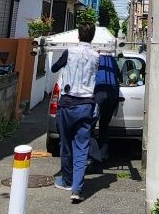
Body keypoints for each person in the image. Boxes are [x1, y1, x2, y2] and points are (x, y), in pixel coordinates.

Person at [51, 21, 99, 203]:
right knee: (81, 147)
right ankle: (77, 189)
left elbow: (54, 68)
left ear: (78, 35)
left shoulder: (69, 52)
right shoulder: (96, 56)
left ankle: (67, 180)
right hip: (86, 105)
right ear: (92, 37)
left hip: (67, 104)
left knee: (65, 144)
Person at [89, 51, 121, 171]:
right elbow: (118, 75)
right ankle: (103, 158)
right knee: (104, 126)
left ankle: (95, 160)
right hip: (113, 94)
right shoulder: (112, 60)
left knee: (89, 126)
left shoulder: (95, 58)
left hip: (100, 92)